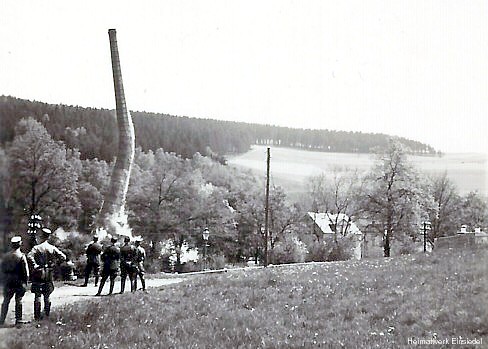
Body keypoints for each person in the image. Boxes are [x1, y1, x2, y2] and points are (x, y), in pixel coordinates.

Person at [27, 228, 66, 321]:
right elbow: (63, 257)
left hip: (38, 272)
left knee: (37, 295)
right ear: (48, 237)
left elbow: (29, 256)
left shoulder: (36, 248)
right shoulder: (52, 248)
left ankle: (37, 316)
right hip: (48, 272)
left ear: (41, 236)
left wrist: (35, 265)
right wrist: (55, 264)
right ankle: (46, 315)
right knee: (47, 295)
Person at [0, 236, 29, 326]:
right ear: (20, 244)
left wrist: (3, 281)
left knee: (6, 301)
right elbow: (26, 272)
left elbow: (2, 270)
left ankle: (2, 319)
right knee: (18, 300)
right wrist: (26, 283)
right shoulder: (21, 256)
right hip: (18, 281)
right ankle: (18, 320)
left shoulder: (5, 256)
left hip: (8, 281)